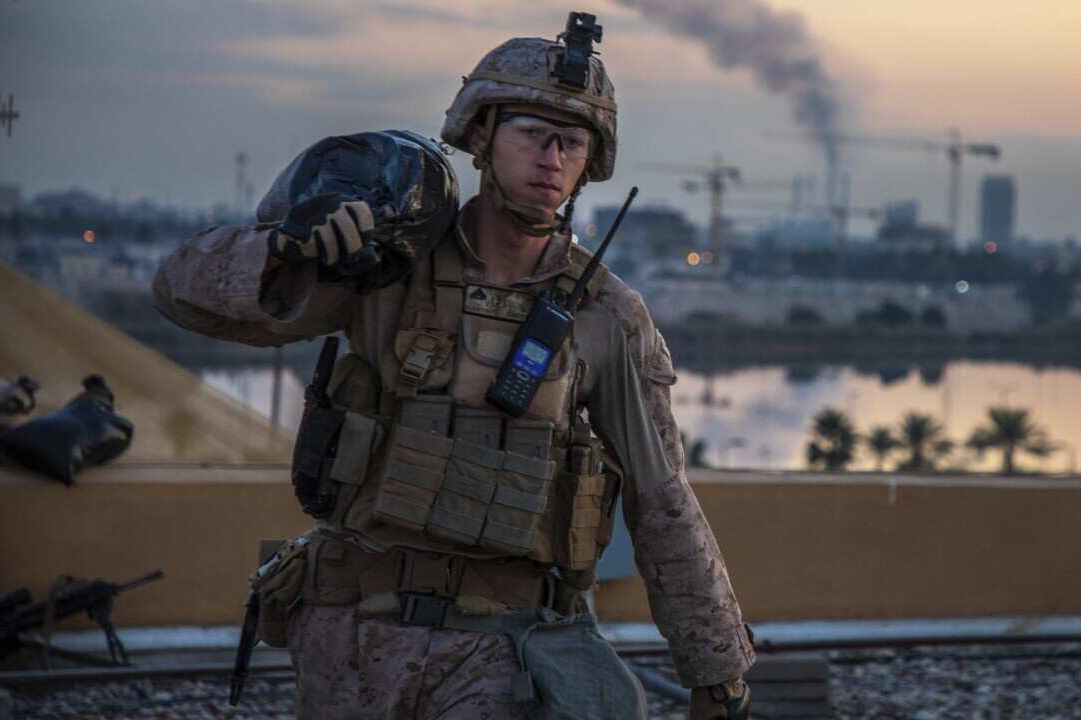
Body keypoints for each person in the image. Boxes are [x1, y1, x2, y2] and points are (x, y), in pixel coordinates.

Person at [153, 13, 754, 720]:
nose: (553, 158)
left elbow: (662, 497)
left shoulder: (608, 317)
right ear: (480, 137)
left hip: (504, 649)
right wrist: (287, 252)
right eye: (533, 134)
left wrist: (715, 670)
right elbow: (181, 294)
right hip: (353, 635)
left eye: (573, 142)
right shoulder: (387, 263)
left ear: (591, 162)